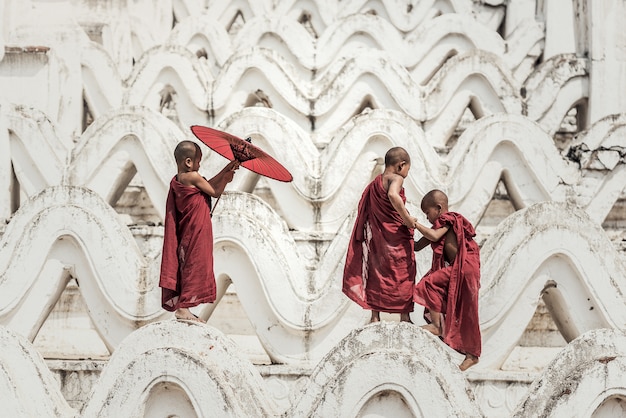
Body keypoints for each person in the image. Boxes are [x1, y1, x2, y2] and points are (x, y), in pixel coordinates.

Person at [159, 140, 239, 322]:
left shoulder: (181, 178)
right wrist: (226, 178)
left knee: (188, 263)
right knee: (195, 264)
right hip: (196, 230)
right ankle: (183, 308)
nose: (199, 165)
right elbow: (214, 191)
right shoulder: (193, 176)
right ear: (188, 162)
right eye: (198, 161)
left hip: (189, 229)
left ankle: (184, 306)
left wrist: (227, 169)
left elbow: (207, 184)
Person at [343, 147, 417, 323]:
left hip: (378, 239)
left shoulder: (376, 182)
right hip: (397, 238)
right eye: (408, 169)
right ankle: (404, 316)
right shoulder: (397, 178)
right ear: (401, 165)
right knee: (404, 273)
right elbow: (393, 195)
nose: (407, 173)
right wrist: (406, 218)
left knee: (377, 274)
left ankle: (375, 316)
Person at [413, 189, 481, 371]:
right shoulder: (438, 226)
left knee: (429, 285)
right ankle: (471, 355)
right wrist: (402, 232)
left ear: (439, 208)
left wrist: (417, 225)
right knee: (461, 307)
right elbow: (418, 246)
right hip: (457, 269)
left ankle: (437, 326)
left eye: (428, 213)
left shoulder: (448, 219)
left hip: (465, 267)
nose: (427, 217)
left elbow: (433, 236)